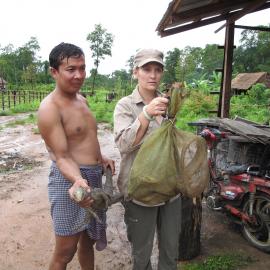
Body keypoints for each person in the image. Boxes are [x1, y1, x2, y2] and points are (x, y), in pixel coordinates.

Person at [37, 42, 115, 270]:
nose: (79, 75)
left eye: (82, 68)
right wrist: (78, 180)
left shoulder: (82, 100)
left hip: (92, 177)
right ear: (54, 71)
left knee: (88, 241)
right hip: (68, 182)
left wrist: (101, 157)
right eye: (71, 69)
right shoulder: (50, 108)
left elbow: (87, 137)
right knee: (65, 252)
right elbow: (61, 157)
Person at [113, 48, 181, 270]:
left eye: (158, 70)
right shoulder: (126, 105)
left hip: (169, 188)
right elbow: (123, 145)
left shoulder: (168, 102)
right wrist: (146, 114)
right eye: (147, 69)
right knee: (141, 256)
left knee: (171, 252)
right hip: (139, 190)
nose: (153, 75)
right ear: (135, 72)